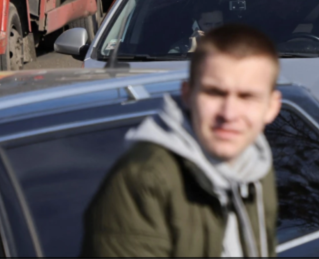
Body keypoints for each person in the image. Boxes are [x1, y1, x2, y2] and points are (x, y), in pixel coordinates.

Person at [82, 24, 281, 257]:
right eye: (214, 93)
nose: (229, 113)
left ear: (272, 106)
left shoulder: (255, 167)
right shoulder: (143, 180)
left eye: (247, 96)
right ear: (187, 94)